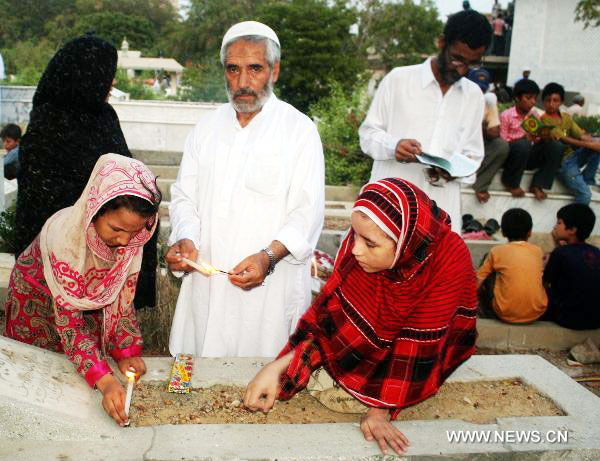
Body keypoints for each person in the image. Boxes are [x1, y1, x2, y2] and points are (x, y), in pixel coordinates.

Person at [244, 178, 478, 455]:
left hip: (426, 346)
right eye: (353, 234)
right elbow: (329, 321)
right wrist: (277, 367)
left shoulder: (447, 262)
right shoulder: (360, 250)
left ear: (405, 243)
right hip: (379, 338)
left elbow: (417, 347)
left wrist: (380, 410)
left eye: (369, 243)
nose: (355, 250)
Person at [165, 21, 325, 357]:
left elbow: (307, 214)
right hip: (206, 282)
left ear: (274, 71)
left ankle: (249, 409)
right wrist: (186, 240)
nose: (242, 83)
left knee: (256, 382)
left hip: (268, 287)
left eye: (254, 69)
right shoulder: (205, 128)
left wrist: (268, 257)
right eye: (233, 69)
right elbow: (184, 197)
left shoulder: (299, 130)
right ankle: (184, 407)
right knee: (189, 368)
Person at [3, 154, 161, 426]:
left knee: (80, 382)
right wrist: (106, 380)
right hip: (37, 302)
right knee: (43, 384)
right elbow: (71, 325)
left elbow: (122, 300)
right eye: (116, 229)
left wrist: (124, 352)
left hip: (78, 308)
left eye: (133, 232)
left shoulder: (130, 239)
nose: (124, 241)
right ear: (95, 209)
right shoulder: (66, 242)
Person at [14, 35, 159, 309]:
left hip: (105, 247)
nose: (112, 83)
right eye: (108, 75)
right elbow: (43, 198)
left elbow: (123, 174)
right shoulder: (49, 121)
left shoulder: (103, 117)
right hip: (57, 250)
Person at [359, 10, 492, 233]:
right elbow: (368, 135)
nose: (462, 70)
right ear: (441, 43)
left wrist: (455, 170)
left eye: (472, 64)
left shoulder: (473, 95)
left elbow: (473, 154)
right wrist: (395, 146)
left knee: (437, 268)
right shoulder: (399, 80)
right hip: (390, 206)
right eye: (457, 58)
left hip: (440, 211)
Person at [477, 208, 547, 323]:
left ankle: (485, 312)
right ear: (529, 233)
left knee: (487, 263)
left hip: (504, 313)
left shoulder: (497, 251)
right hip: (536, 313)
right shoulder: (538, 251)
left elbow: (477, 282)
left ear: (503, 232)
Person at [499, 78, 564, 200]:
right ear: (518, 98)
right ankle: (511, 183)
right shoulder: (506, 115)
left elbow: (537, 137)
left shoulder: (533, 114)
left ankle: (538, 184)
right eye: (528, 98)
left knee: (556, 146)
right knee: (523, 144)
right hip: (512, 157)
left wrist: (544, 136)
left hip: (529, 156)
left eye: (535, 98)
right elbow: (503, 143)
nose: (533, 102)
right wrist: (523, 138)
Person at [539, 82, 600, 205]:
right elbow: (563, 139)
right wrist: (590, 145)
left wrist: (594, 141)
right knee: (585, 196)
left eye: (555, 100)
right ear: (543, 101)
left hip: (573, 157)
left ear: (561, 102)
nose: (551, 104)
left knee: (598, 144)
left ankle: (588, 179)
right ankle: (574, 221)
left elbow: (581, 135)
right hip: (562, 163)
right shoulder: (543, 120)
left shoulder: (566, 117)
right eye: (548, 100)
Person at [543, 204, 600, 330]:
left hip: (568, 319)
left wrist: (547, 264)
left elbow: (545, 283)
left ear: (572, 230)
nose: (554, 227)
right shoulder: (596, 252)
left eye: (559, 223)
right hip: (596, 321)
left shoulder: (560, 253)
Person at [467, 68, 509, 203]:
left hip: (479, 140)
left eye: (482, 89)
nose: (480, 92)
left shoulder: (488, 103)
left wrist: (481, 121)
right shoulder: (461, 99)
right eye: (477, 88)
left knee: (501, 145)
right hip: (459, 141)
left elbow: (494, 133)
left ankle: (480, 185)